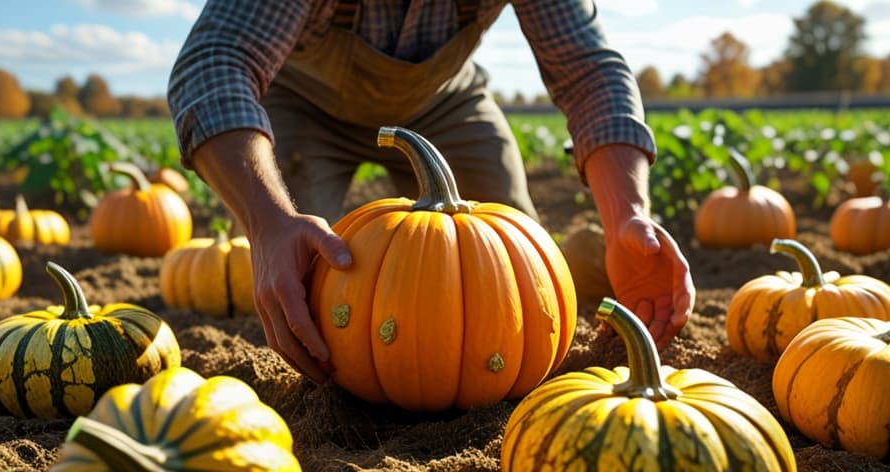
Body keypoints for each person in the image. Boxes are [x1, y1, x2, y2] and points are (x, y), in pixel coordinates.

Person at [168, 0, 695, 382]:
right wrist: (268, 221)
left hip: (444, 101)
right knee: (310, 291)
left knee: (513, 267)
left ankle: (586, 249)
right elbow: (216, 60)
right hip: (302, 102)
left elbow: (588, 72)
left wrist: (628, 213)